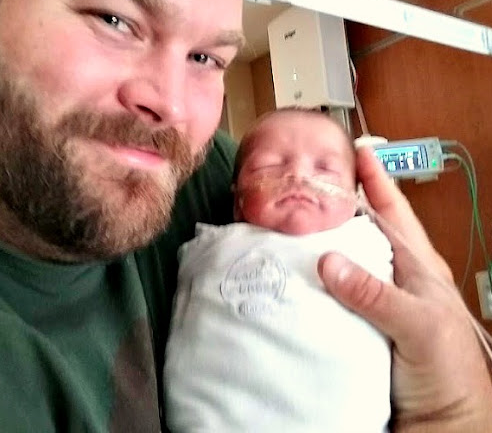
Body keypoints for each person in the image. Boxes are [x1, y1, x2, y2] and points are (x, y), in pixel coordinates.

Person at [0, 0, 492, 431]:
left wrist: (451, 396)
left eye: (206, 59)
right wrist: (456, 418)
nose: (168, 105)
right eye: (115, 20)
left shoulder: (199, 177)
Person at [164, 108, 394, 432]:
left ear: (356, 198)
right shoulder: (217, 247)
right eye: (269, 166)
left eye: (325, 168)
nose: (298, 175)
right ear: (237, 202)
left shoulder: (366, 243)